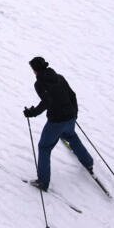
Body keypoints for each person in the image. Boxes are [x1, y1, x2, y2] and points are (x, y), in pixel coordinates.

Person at [23, 56, 95, 192]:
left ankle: (43, 182)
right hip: (70, 117)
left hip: (56, 121)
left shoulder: (39, 84)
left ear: (36, 70)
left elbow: (47, 102)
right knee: (71, 136)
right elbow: (72, 95)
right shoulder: (59, 77)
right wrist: (74, 113)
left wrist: (32, 113)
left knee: (44, 147)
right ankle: (88, 163)